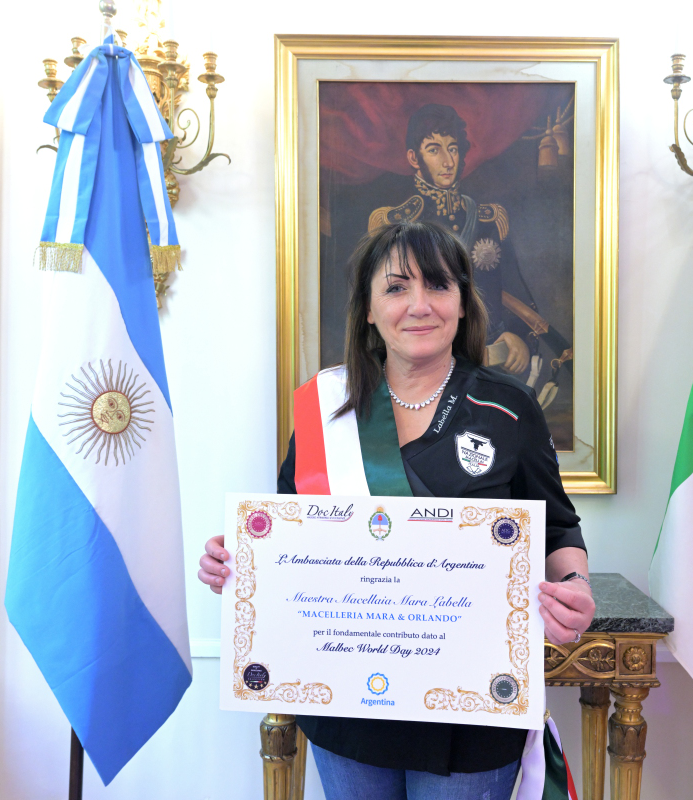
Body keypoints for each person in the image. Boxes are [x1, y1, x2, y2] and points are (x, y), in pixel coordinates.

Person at [197, 221, 594, 799]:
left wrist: (575, 587)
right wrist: (234, 563)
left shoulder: (509, 408)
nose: (419, 305)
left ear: (463, 302)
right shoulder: (324, 408)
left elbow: (557, 527)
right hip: (347, 709)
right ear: (368, 309)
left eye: (438, 285)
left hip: (469, 712)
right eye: (397, 287)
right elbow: (287, 536)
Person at [364, 103, 543, 378]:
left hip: (489, 364)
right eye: (434, 150)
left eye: (453, 149)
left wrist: (517, 336)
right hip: (419, 368)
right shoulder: (393, 223)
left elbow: (512, 287)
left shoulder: (488, 220)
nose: (448, 161)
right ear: (414, 158)